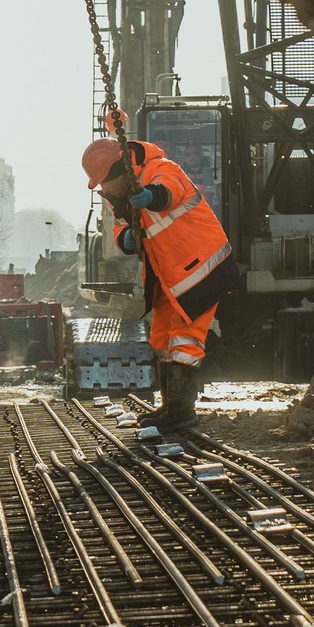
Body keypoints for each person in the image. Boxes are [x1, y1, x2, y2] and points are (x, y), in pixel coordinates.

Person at [81, 135, 236, 428]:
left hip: (203, 270)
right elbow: (119, 229)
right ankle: (170, 406)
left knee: (185, 339)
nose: (103, 189)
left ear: (119, 172)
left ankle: (182, 412)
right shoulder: (120, 197)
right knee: (161, 338)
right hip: (172, 276)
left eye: (103, 182)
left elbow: (170, 191)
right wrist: (125, 238)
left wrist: (152, 196)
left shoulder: (160, 168)